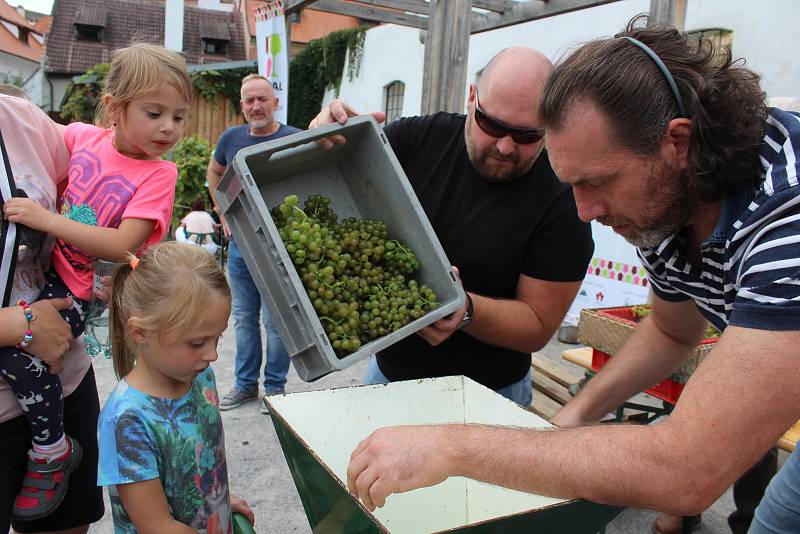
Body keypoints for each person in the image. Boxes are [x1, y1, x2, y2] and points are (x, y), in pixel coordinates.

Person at [343, 16, 800, 529]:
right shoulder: (669, 198)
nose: (584, 211)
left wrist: (453, 446)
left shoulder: (789, 220)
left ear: (677, 141)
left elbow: (687, 470)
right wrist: (576, 414)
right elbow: (674, 330)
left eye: (597, 182)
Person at [310, 47, 593, 407]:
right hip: (388, 380)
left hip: (488, 399)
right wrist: (322, 133)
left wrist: (467, 310)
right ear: (472, 98)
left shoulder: (563, 196)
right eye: (492, 125)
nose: (506, 147)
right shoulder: (417, 139)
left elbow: (538, 325)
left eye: (526, 135)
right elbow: (338, 168)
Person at [2, 42, 192, 521]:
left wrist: (46, 220)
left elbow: (121, 244)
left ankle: (50, 450)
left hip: (82, 292)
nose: (169, 128)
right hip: (54, 280)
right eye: (154, 113)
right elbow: (50, 143)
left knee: (20, 358)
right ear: (114, 108)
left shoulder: (159, 174)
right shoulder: (86, 138)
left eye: (178, 116)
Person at [0, 95, 104, 532]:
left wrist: (322, 127)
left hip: (67, 382)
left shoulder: (17, 117)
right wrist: (17, 326)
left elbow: (110, 155)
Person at [98, 241, 255, 532]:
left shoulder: (199, 378)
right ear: (141, 332)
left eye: (217, 337)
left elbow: (197, 472)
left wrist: (216, 502)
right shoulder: (126, 421)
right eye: (197, 342)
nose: (213, 355)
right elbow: (158, 526)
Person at [206, 74, 300, 412]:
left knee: (277, 322)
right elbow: (214, 173)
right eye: (249, 100)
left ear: (275, 103)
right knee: (245, 318)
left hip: (280, 249)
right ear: (242, 104)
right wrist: (224, 213)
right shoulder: (230, 138)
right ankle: (245, 386)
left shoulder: (295, 137)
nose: (256, 106)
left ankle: (274, 389)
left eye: (262, 99)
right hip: (241, 247)